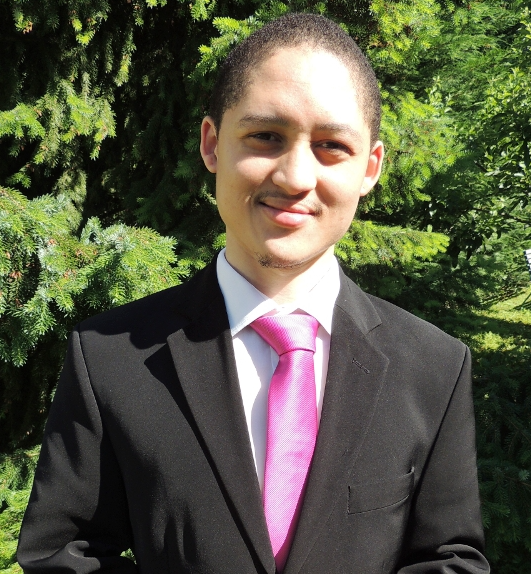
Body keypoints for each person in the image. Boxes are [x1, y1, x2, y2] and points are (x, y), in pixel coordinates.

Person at [17, 13, 489, 574]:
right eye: (266, 136)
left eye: (332, 145)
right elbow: (63, 556)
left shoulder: (434, 368)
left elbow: (448, 559)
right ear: (212, 144)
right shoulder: (109, 358)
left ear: (370, 168)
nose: (295, 177)